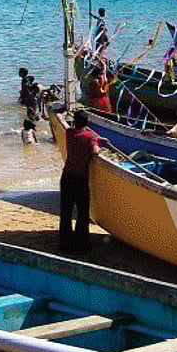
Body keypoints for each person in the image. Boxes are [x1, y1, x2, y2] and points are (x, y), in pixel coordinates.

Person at [60, 108, 103, 253]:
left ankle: (65, 244)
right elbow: (95, 151)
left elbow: (75, 132)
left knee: (66, 211)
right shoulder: (90, 137)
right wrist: (97, 141)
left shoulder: (69, 133)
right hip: (80, 179)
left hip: (66, 177)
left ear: (75, 122)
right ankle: (81, 244)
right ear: (87, 122)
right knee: (83, 213)